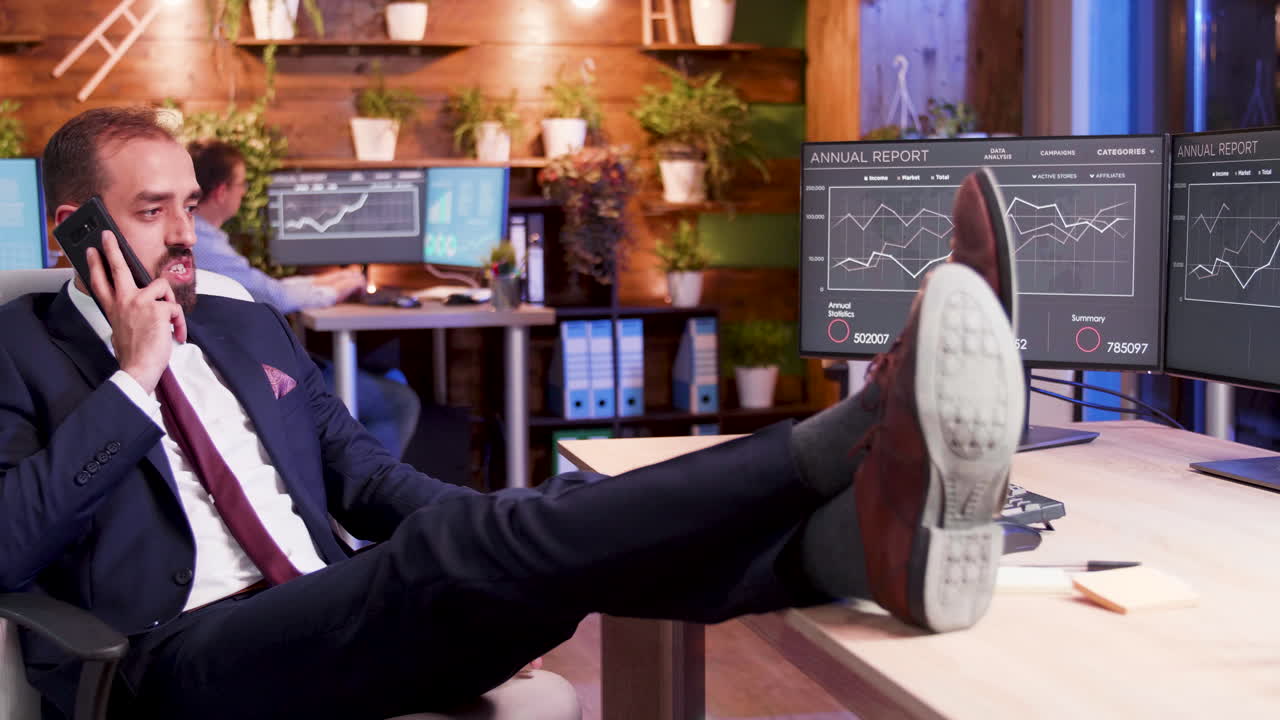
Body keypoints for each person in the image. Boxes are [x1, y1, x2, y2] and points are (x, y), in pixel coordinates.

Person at [0, 106, 1024, 720]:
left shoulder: (241, 329)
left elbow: (368, 478)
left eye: (190, 204)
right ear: (69, 232)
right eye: (150, 213)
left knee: (487, 535)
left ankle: (846, 550)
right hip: (170, 663)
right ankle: (847, 439)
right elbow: (7, 546)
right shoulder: (16, 353)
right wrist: (133, 381)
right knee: (449, 555)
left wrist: (500, 548)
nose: (186, 237)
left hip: (332, 611)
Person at [185, 139, 421, 460]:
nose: (244, 192)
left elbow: (264, 286)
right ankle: (366, 500)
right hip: (256, 376)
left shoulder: (205, 238)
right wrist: (334, 289)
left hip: (247, 364)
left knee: (381, 375)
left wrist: (326, 280)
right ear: (221, 191)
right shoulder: (202, 244)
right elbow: (275, 296)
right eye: (242, 184)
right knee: (399, 401)